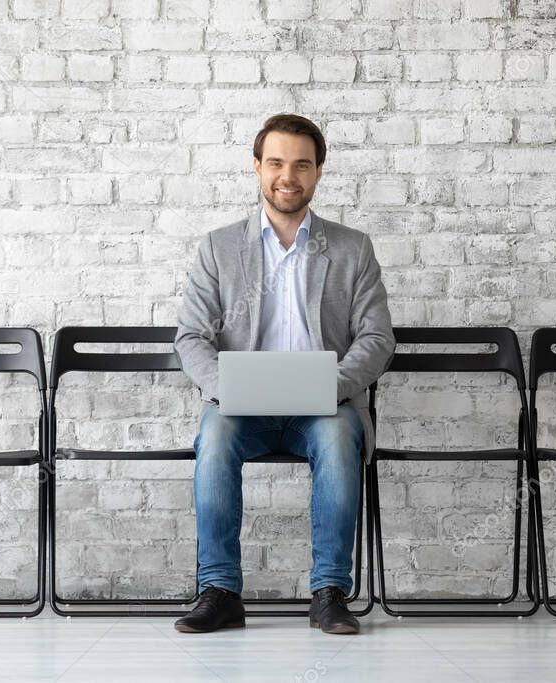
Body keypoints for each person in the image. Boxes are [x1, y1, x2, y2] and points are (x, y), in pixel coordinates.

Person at [173, 114, 396, 635]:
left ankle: (329, 593)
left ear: (318, 173)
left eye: (301, 164)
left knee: (341, 435)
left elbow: (377, 339)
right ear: (257, 168)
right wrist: (227, 390)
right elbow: (191, 338)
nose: (287, 175)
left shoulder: (352, 248)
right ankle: (221, 591)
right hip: (241, 407)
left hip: (324, 408)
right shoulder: (218, 248)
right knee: (215, 433)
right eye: (275, 162)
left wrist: (329, 386)